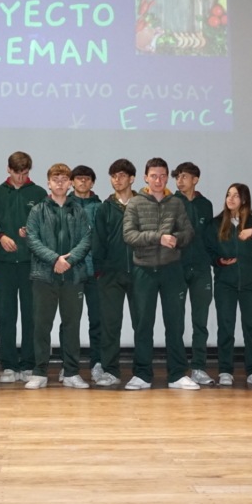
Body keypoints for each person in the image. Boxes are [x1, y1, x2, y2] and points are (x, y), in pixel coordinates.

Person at [122, 157, 198, 390]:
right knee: (143, 324)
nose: (158, 180)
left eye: (163, 176)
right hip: (143, 270)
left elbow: (188, 232)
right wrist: (158, 238)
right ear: (145, 178)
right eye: (154, 176)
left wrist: (177, 239)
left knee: (175, 324)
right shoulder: (135, 203)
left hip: (171, 269)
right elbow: (129, 235)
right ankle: (142, 374)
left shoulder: (176, 203)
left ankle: (177, 374)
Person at [24, 164, 93, 389]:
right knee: (41, 326)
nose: (60, 183)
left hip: (73, 277)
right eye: (56, 179)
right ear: (48, 183)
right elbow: (32, 239)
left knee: (71, 326)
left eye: (64, 179)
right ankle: (39, 373)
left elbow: (86, 240)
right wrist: (55, 259)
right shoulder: (37, 210)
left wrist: (68, 261)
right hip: (44, 276)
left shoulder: (79, 211)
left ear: (70, 183)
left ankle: (71, 372)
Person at [0, 151, 48, 383]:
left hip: (31, 265)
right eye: (17, 173)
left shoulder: (39, 193)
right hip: (3, 265)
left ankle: (29, 364)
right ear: (8, 169)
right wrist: (1, 236)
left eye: (25, 173)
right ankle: (9, 366)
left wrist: (30, 233)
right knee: (6, 316)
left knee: (31, 317)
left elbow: (47, 227)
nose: (21, 178)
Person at [204, 183, 252, 386]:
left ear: (244, 199)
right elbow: (208, 250)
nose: (230, 199)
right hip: (225, 283)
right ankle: (225, 370)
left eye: (236, 195)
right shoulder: (216, 224)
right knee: (226, 327)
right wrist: (219, 261)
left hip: (251, 284)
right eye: (228, 195)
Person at [92, 159, 140, 387]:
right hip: (111, 274)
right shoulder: (105, 208)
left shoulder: (143, 205)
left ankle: (142, 371)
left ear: (132, 178)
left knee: (142, 324)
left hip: (140, 273)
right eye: (113, 176)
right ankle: (111, 370)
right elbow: (98, 242)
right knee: (110, 325)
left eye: (121, 175)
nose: (117, 180)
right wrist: (100, 271)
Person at [172, 162, 215, 385]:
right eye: (177, 177)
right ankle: (178, 369)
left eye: (184, 176)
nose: (180, 181)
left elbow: (210, 237)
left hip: (201, 269)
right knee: (176, 322)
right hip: (176, 268)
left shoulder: (205, 205)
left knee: (200, 321)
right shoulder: (171, 203)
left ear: (195, 179)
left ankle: (199, 367)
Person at [69, 164, 104, 380]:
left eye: (87, 178)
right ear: (72, 182)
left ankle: (97, 363)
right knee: (70, 322)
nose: (83, 182)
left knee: (97, 321)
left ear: (92, 182)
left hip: (95, 273)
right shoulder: (63, 205)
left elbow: (106, 238)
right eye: (79, 178)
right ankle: (68, 365)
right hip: (71, 272)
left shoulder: (101, 207)